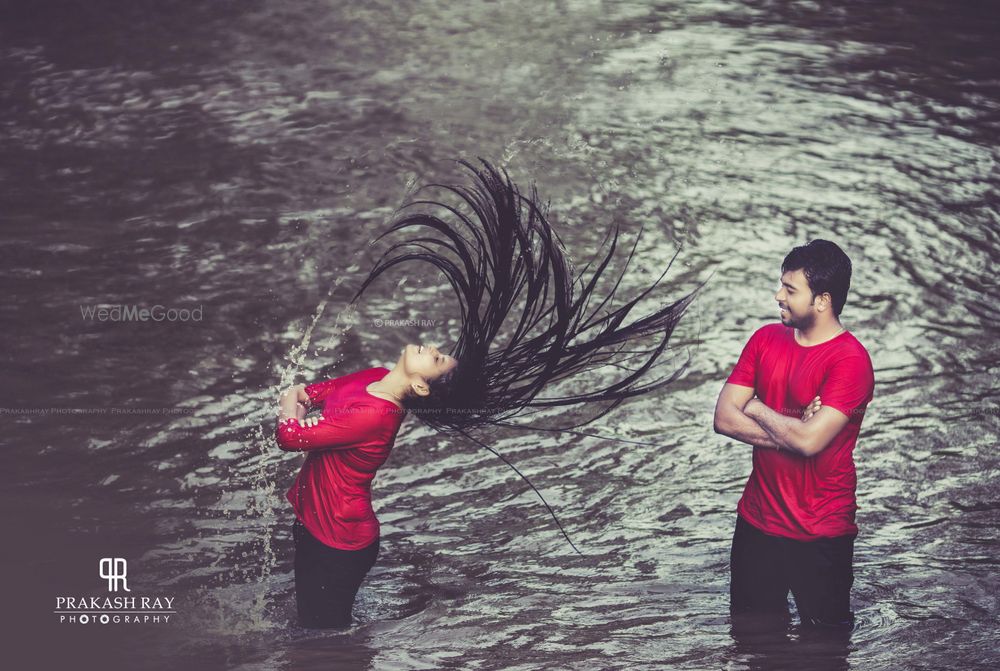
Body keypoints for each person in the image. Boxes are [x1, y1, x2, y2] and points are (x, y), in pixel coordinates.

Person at [277, 159, 703, 628]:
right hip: (313, 524)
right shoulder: (374, 375)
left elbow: (290, 432)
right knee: (309, 631)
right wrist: (298, 399)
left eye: (436, 360)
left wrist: (290, 400)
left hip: (341, 540)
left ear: (420, 385)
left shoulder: (374, 415)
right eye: (440, 352)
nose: (434, 349)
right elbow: (312, 394)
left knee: (327, 637)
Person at [713, 239, 875, 631]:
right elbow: (723, 418)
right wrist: (794, 428)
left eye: (790, 289)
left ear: (822, 300)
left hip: (821, 531)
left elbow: (808, 442)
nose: (778, 296)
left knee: (825, 648)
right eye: (780, 286)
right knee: (751, 641)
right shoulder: (765, 339)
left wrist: (753, 406)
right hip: (756, 522)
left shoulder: (850, 362)